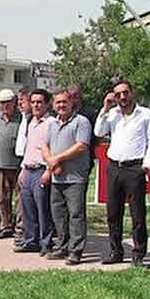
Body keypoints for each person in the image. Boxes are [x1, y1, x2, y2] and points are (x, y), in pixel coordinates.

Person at [93, 81, 150, 266]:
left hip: (134, 167)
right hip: (114, 166)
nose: (122, 97)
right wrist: (105, 108)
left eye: (125, 93)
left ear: (132, 93)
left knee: (137, 213)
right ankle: (116, 251)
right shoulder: (112, 115)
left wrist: (147, 162)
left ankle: (138, 253)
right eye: (118, 94)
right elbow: (99, 131)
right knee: (113, 212)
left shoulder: (146, 114)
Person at [41, 91, 91, 265]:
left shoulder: (81, 122)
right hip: (57, 177)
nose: (61, 105)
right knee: (59, 215)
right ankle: (62, 246)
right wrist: (51, 162)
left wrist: (57, 159)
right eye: (58, 103)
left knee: (76, 215)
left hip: (75, 178)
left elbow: (81, 146)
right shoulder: (52, 124)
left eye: (64, 102)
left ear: (71, 103)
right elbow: (45, 146)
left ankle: (75, 250)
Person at [16, 89, 55, 254]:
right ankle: (30, 240)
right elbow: (29, 148)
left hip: (41, 170)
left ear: (47, 104)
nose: (36, 105)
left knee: (42, 209)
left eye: (39, 102)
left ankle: (46, 242)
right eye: (33, 102)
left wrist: (48, 170)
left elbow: (54, 148)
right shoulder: (31, 122)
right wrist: (23, 168)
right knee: (28, 208)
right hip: (28, 170)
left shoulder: (51, 123)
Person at [0, 89, 23, 239]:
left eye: (7, 102)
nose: (5, 105)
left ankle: (20, 228)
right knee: (3, 199)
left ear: (14, 102)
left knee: (20, 199)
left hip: (18, 165)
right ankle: (5, 226)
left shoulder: (22, 118)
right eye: (2, 103)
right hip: (2, 165)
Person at [13, 89, 32, 243]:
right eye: (18, 100)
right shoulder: (23, 118)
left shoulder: (35, 120)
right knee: (21, 200)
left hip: (31, 165)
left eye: (23, 100)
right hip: (21, 163)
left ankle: (26, 232)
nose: (20, 103)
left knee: (26, 202)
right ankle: (22, 230)